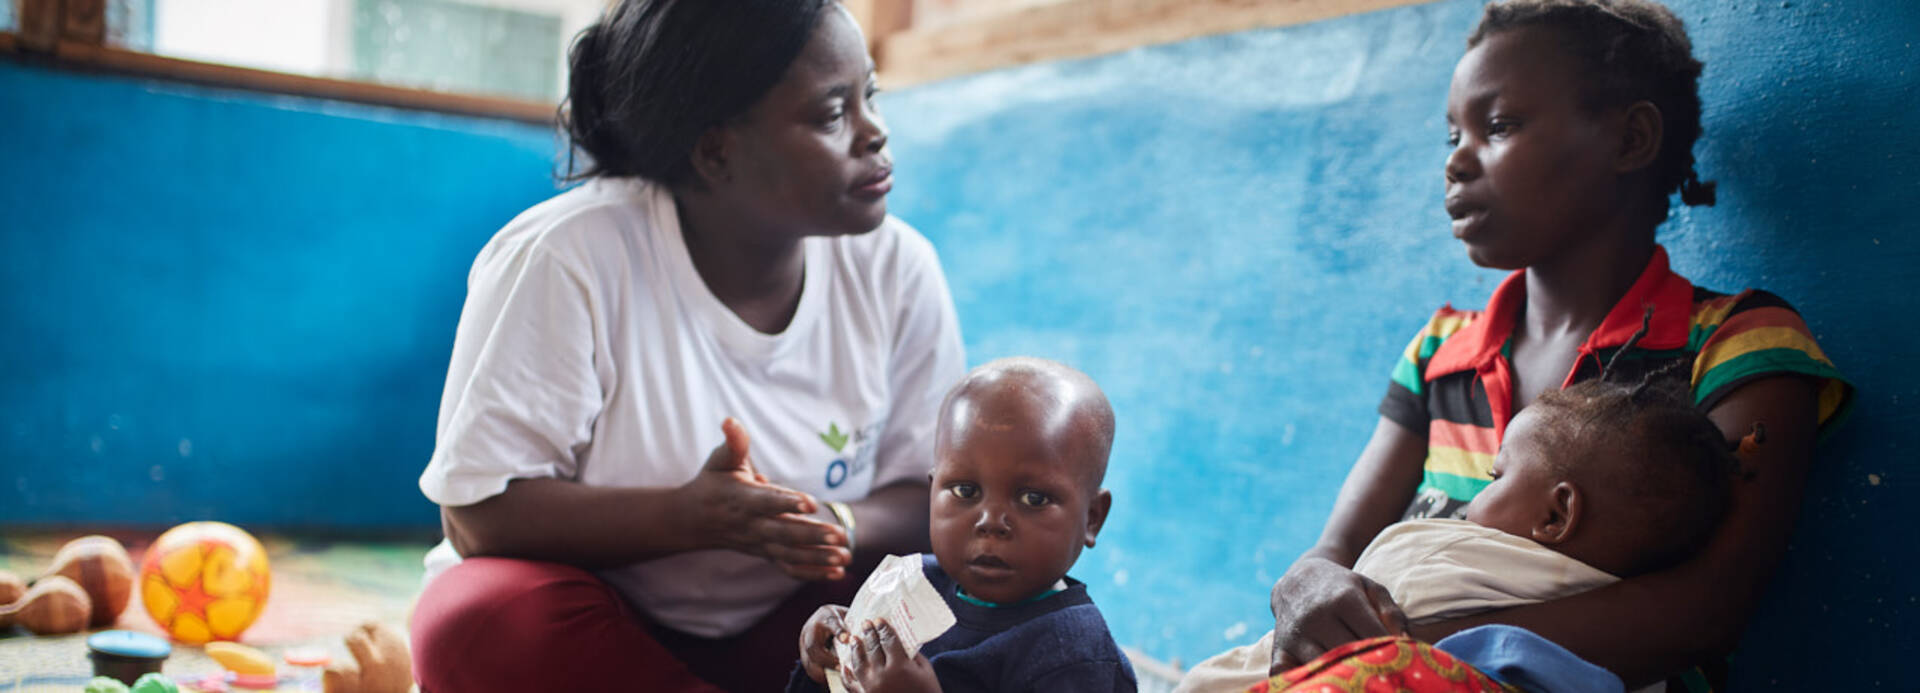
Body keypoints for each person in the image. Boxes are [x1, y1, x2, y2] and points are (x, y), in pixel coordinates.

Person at [1255, 0, 1852, 689]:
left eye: (1498, 125)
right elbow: (1338, 549)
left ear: (1631, 140)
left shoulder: (1735, 346)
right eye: (1452, 136)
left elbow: (1705, 609)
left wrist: (1401, 651)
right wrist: (1302, 584)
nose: (1456, 164)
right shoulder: (1439, 351)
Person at [406, 1, 966, 691]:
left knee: (987, 591)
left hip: (798, 627)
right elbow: (477, 515)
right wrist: (693, 517)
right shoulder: (568, 257)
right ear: (716, 149)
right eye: (831, 115)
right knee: (477, 619)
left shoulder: (898, 268)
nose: (874, 133)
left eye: (869, 97)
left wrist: (836, 522)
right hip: (609, 629)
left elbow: (933, 493)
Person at [1181, 347, 1748, 692]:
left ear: (1555, 515)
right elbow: (1332, 551)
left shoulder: (1434, 557)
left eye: (1495, 478)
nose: (1473, 502)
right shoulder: (1439, 350)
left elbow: (1375, 622)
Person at [789, 358, 1138, 692]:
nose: (991, 522)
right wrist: (836, 649)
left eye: (1033, 499)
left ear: (1092, 517)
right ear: (932, 493)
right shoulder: (911, 585)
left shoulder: (1077, 659)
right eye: (965, 491)